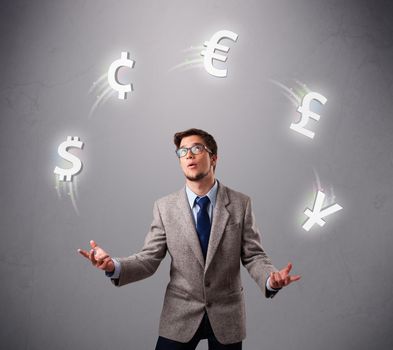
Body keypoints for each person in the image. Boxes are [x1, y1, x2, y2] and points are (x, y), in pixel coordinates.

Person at [78, 128, 301, 349]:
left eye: (196, 148)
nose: (189, 155)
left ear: (213, 157)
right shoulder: (164, 207)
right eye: (182, 152)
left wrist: (270, 279)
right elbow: (148, 259)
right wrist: (113, 266)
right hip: (179, 314)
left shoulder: (241, 204)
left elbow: (253, 256)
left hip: (227, 315)